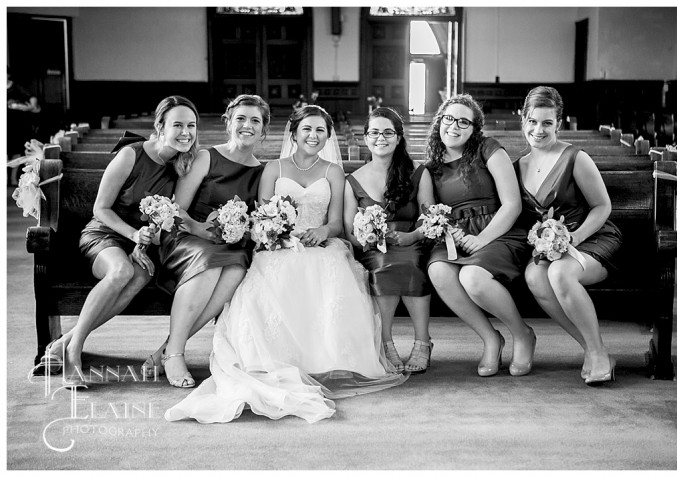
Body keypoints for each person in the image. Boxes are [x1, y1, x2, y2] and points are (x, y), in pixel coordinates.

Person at [165, 105, 406, 424]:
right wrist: (275, 231)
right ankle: (270, 359)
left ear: (328, 137)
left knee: (328, 267)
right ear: (294, 133)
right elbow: (261, 214)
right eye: (307, 129)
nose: (313, 135)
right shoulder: (274, 168)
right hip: (276, 244)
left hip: (320, 244)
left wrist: (322, 231)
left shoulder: (333, 171)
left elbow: (335, 222)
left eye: (321, 130)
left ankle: (324, 359)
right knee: (276, 271)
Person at [33, 96, 198, 388]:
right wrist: (133, 235)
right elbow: (100, 209)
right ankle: (74, 351)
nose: (186, 132)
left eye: (191, 125)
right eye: (178, 125)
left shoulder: (185, 166)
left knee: (143, 274)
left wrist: (145, 241)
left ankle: (66, 341)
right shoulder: (131, 155)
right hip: (105, 235)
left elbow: (170, 217)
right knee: (121, 271)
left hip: (142, 244)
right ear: (160, 127)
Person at [148, 94, 268, 388]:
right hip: (185, 235)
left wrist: (238, 229)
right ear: (228, 123)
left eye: (255, 120)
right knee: (211, 263)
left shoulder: (261, 171)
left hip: (226, 245)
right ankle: (174, 353)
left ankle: (166, 349)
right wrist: (201, 230)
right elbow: (178, 209)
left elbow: (256, 219)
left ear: (264, 130)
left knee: (238, 268)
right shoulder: (207, 157)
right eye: (240, 118)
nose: (247, 126)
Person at [516, 86, 622, 385]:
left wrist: (573, 238)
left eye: (547, 123)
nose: (539, 129)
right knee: (535, 277)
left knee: (561, 273)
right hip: (551, 245)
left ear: (559, 124)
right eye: (533, 121)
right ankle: (591, 348)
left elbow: (603, 206)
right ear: (523, 120)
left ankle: (599, 353)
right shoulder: (518, 166)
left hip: (592, 237)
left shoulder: (576, 157)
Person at [424, 94, 533, 377]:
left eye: (463, 122)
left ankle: (522, 334)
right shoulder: (432, 166)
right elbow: (430, 212)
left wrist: (482, 239)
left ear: (474, 129)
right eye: (449, 119)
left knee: (472, 277)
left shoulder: (489, 149)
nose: (454, 126)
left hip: (497, 229)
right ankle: (490, 338)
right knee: (438, 270)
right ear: (439, 122)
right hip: (455, 235)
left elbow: (512, 204)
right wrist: (453, 234)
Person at [343, 107, 435, 373]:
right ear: (365, 137)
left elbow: (428, 216)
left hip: (412, 241)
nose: (380, 138)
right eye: (374, 132)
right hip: (372, 248)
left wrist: (412, 236)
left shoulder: (419, 172)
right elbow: (350, 231)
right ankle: (385, 344)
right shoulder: (353, 180)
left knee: (408, 261)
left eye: (387, 132)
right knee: (382, 263)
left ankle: (422, 342)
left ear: (398, 138)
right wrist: (368, 239)